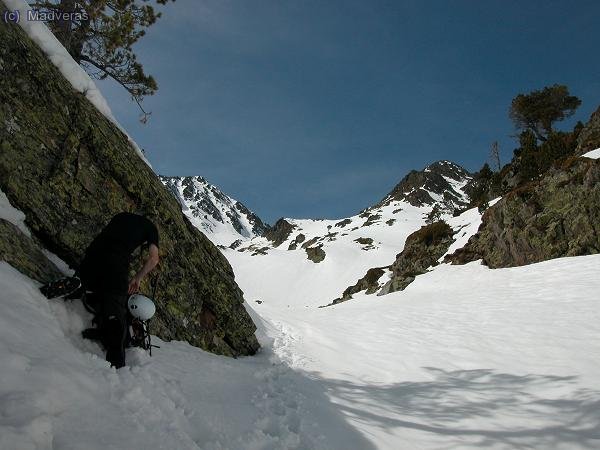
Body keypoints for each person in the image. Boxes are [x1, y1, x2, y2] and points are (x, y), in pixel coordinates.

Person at [78, 211, 160, 368]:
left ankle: (78, 287)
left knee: (96, 289)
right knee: (117, 309)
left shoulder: (121, 216)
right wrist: (138, 277)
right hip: (115, 263)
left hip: (92, 255)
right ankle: (116, 363)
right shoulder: (151, 228)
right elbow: (154, 259)